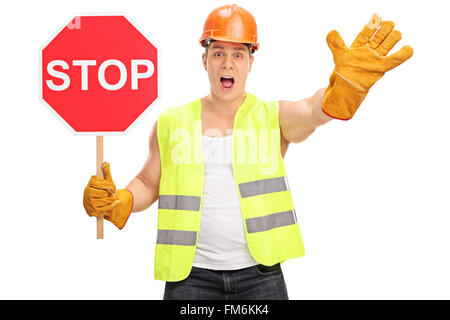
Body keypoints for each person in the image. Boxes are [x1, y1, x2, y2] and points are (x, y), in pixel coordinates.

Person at [83, 4, 413, 300]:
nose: (228, 63)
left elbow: (312, 111)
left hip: (261, 276)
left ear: (251, 62)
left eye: (238, 54)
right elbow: (149, 182)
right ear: (205, 60)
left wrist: (339, 91)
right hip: (190, 278)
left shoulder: (273, 116)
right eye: (218, 53)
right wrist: (120, 198)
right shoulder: (171, 121)